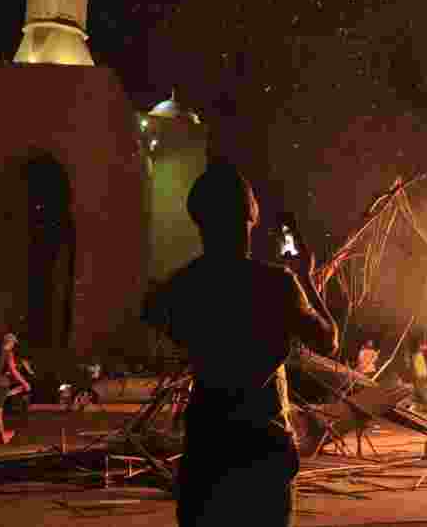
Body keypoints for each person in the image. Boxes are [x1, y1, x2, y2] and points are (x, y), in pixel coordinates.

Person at [142, 161, 338, 527]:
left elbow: (159, 323)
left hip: (207, 449)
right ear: (251, 219)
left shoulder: (183, 285)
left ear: (199, 221)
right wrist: (307, 280)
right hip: (263, 450)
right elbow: (328, 340)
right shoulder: (277, 284)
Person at [0, 333, 30, 447]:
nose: (13, 346)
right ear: (10, 343)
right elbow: (13, 371)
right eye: (13, 343)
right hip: (0, 385)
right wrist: (24, 382)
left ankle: (2, 436)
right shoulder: (8, 353)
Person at [412, 340, 427, 405]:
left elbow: (425, 348)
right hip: (420, 374)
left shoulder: (418, 354)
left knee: (421, 388)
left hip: (421, 374)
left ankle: (424, 401)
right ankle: (423, 401)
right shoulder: (416, 355)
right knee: (420, 388)